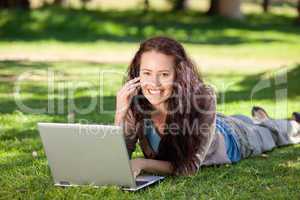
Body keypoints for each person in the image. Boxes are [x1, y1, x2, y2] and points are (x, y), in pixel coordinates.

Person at [114, 36, 300, 178]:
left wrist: (143, 163)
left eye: (164, 74)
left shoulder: (203, 97)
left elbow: (190, 166)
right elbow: (118, 158)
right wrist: (120, 114)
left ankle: (288, 123)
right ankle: (258, 119)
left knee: (272, 133)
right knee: (246, 121)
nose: (153, 83)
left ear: (179, 74)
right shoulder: (135, 102)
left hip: (234, 139)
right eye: (147, 72)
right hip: (216, 126)